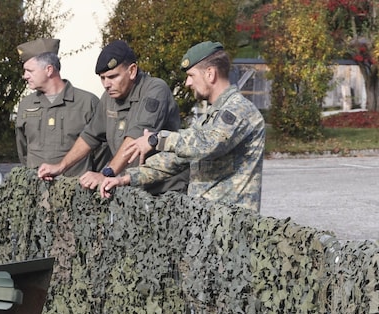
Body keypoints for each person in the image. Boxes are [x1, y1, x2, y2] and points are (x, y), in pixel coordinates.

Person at [100, 41, 265, 212]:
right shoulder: (209, 118)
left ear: (210, 74)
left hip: (232, 227)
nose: (187, 83)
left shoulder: (239, 110)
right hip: (208, 223)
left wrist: (157, 139)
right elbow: (175, 159)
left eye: (191, 75)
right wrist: (124, 179)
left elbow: (208, 144)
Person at [37, 40, 188, 194]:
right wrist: (61, 166)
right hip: (128, 189)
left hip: (164, 192)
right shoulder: (109, 97)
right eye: (102, 78)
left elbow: (135, 139)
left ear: (132, 71)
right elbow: (90, 135)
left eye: (112, 77)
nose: (106, 84)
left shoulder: (155, 90)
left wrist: (105, 174)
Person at [15, 38, 103, 177]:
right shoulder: (27, 104)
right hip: (37, 191)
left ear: (49, 70)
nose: (25, 76)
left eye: (30, 70)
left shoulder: (87, 103)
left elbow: (101, 149)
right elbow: (22, 149)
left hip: (77, 191)